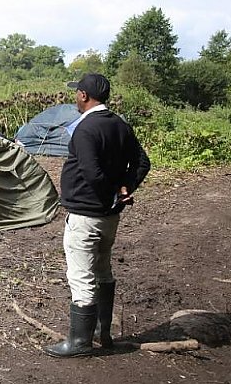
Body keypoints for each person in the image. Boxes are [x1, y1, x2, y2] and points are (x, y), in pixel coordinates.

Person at [44, 73, 151, 358]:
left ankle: (80, 342)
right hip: (109, 218)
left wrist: (114, 193)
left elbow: (92, 173)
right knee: (103, 270)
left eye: (76, 92)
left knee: (81, 276)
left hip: (85, 216)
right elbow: (142, 162)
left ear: (84, 95)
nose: (75, 97)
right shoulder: (120, 125)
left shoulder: (85, 129)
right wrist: (125, 188)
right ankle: (103, 333)